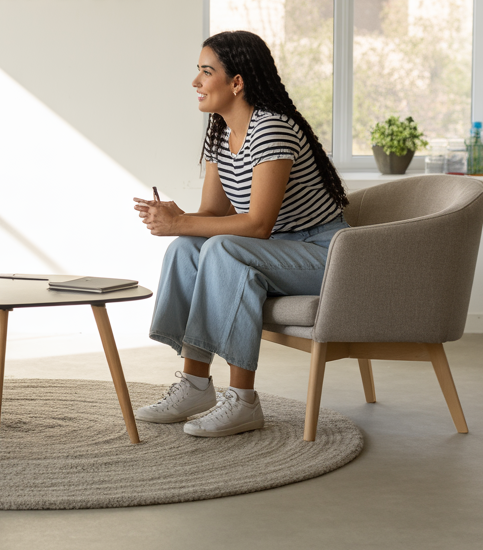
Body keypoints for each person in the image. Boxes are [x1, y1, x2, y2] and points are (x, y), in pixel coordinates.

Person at [132, 30, 349, 438]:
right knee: (187, 248)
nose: (195, 81)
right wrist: (177, 221)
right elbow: (214, 213)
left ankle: (244, 401)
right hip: (277, 249)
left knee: (225, 249)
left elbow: (257, 225)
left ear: (237, 82)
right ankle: (196, 386)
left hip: (325, 252)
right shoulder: (219, 131)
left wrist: (181, 221)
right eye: (197, 71)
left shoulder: (271, 129)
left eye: (206, 71)